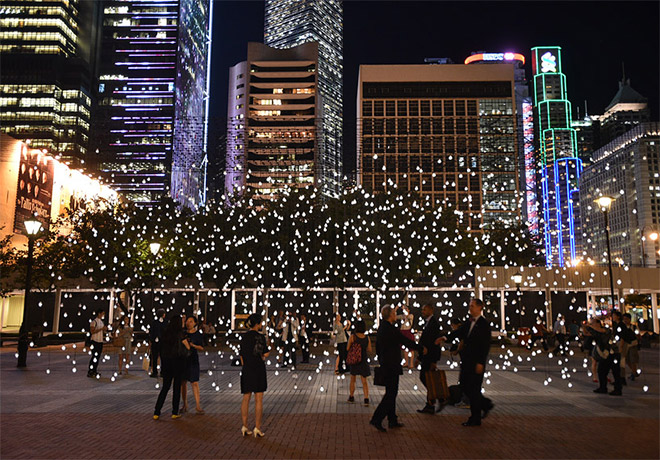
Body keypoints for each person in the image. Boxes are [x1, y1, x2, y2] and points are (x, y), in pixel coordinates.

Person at [437, 298, 494, 427]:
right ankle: (485, 405)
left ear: (480, 308)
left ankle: (475, 418)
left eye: (472, 306)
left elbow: (485, 345)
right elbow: (459, 332)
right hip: (467, 361)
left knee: (473, 389)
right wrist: (445, 337)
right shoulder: (469, 323)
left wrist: (480, 362)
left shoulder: (484, 324)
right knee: (465, 386)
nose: (470, 308)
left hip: (476, 363)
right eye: (470, 305)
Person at [369, 305, 422, 433]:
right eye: (394, 313)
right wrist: (420, 348)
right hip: (391, 365)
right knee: (391, 393)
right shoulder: (391, 329)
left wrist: (381, 360)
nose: (395, 315)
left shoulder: (382, 328)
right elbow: (404, 341)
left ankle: (392, 419)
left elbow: (379, 347)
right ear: (390, 315)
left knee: (391, 392)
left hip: (386, 364)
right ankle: (377, 418)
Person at [153, 315, 190, 419]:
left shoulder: (165, 333)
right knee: (176, 387)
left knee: (165, 387)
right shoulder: (180, 334)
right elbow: (187, 348)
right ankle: (174, 412)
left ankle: (157, 411)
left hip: (166, 363)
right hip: (177, 362)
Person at [240, 313, 270, 438]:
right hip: (258, 368)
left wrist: (245, 365)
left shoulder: (244, 337)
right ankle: (257, 427)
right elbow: (265, 354)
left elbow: (241, 355)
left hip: (247, 368)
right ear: (257, 324)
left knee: (246, 398)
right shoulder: (260, 337)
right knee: (259, 399)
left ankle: (245, 426)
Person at [587, 316, 623, 396]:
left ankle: (618, 389)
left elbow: (601, 330)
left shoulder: (606, 329)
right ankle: (603, 387)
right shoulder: (595, 332)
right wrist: (584, 326)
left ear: (598, 323)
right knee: (601, 371)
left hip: (613, 353)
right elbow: (587, 333)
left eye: (593, 323)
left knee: (615, 371)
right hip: (605, 355)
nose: (591, 324)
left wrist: (590, 326)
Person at [416, 304, 442, 414]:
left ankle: (433, 400)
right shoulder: (428, 323)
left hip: (429, 357)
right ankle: (431, 402)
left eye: (424, 309)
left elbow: (435, 343)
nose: (422, 311)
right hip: (426, 356)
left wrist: (434, 361)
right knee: (427, 379)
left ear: (431, 310)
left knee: (426, 378)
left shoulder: (433, 324)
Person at [181, 316, 205, 414]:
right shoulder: (183, 333)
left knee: (194, 382)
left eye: (191, 321)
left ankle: (198, 405)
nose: (188, 323)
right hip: (183, 359)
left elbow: (202, 347)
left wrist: (193, 346)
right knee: (183, 383)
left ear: (195, 323)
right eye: (187, 321)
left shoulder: (198, 334)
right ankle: (185, 405)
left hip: (193, 359)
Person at [347, 320, 372, 406]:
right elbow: (370, 349)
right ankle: (366, 398)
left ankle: (351, 396)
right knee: (364, 380)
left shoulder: (353, 337)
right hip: (363, 360)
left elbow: (347, 348)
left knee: (352, 379)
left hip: (355, 360)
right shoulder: (367, 338)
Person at [87, 310, 107, 378]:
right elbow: (92, 331)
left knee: (97, 357)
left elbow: (102, 331)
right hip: (94, 341)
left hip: (100, 341)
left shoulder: (101, 322)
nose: (103, 315)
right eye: (102, 314)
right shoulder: (94, 322)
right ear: (99, 313)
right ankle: (90, 371)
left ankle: (94, 370)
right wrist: (101, 329)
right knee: (94, 356)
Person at [621, 313, 640, 381]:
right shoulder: (622, 327)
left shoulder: (633, 327)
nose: (625, 321)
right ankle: (634, 372)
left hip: (633, 345)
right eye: (624, 319)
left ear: (630, 319)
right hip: (625, 346)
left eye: (626, 319)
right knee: (627, 360)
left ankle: (634, 373)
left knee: (633, 360)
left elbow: (638, 336)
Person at [149, 309, 166, 378]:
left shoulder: (154, 322)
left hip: (155, 342)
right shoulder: (165, 323)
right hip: (162, 342)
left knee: (155, 357)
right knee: (163, 358)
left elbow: (151, 332)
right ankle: (162, 372)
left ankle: (155, 372)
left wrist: (151, 340)